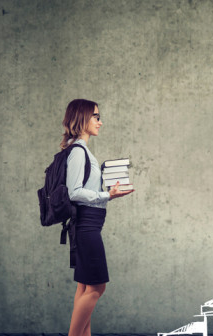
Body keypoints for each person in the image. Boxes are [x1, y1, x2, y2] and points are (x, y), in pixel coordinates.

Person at [60, 99, 133, 336]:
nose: (100, 122)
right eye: (96, 117)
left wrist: (109, 196)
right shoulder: (79, 152)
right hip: (86, 227)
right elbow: (75, 192)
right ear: (82, 118)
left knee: (84, 287)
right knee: (97, 287)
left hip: (88, 225)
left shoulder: (80, 150)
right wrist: (106, 194)